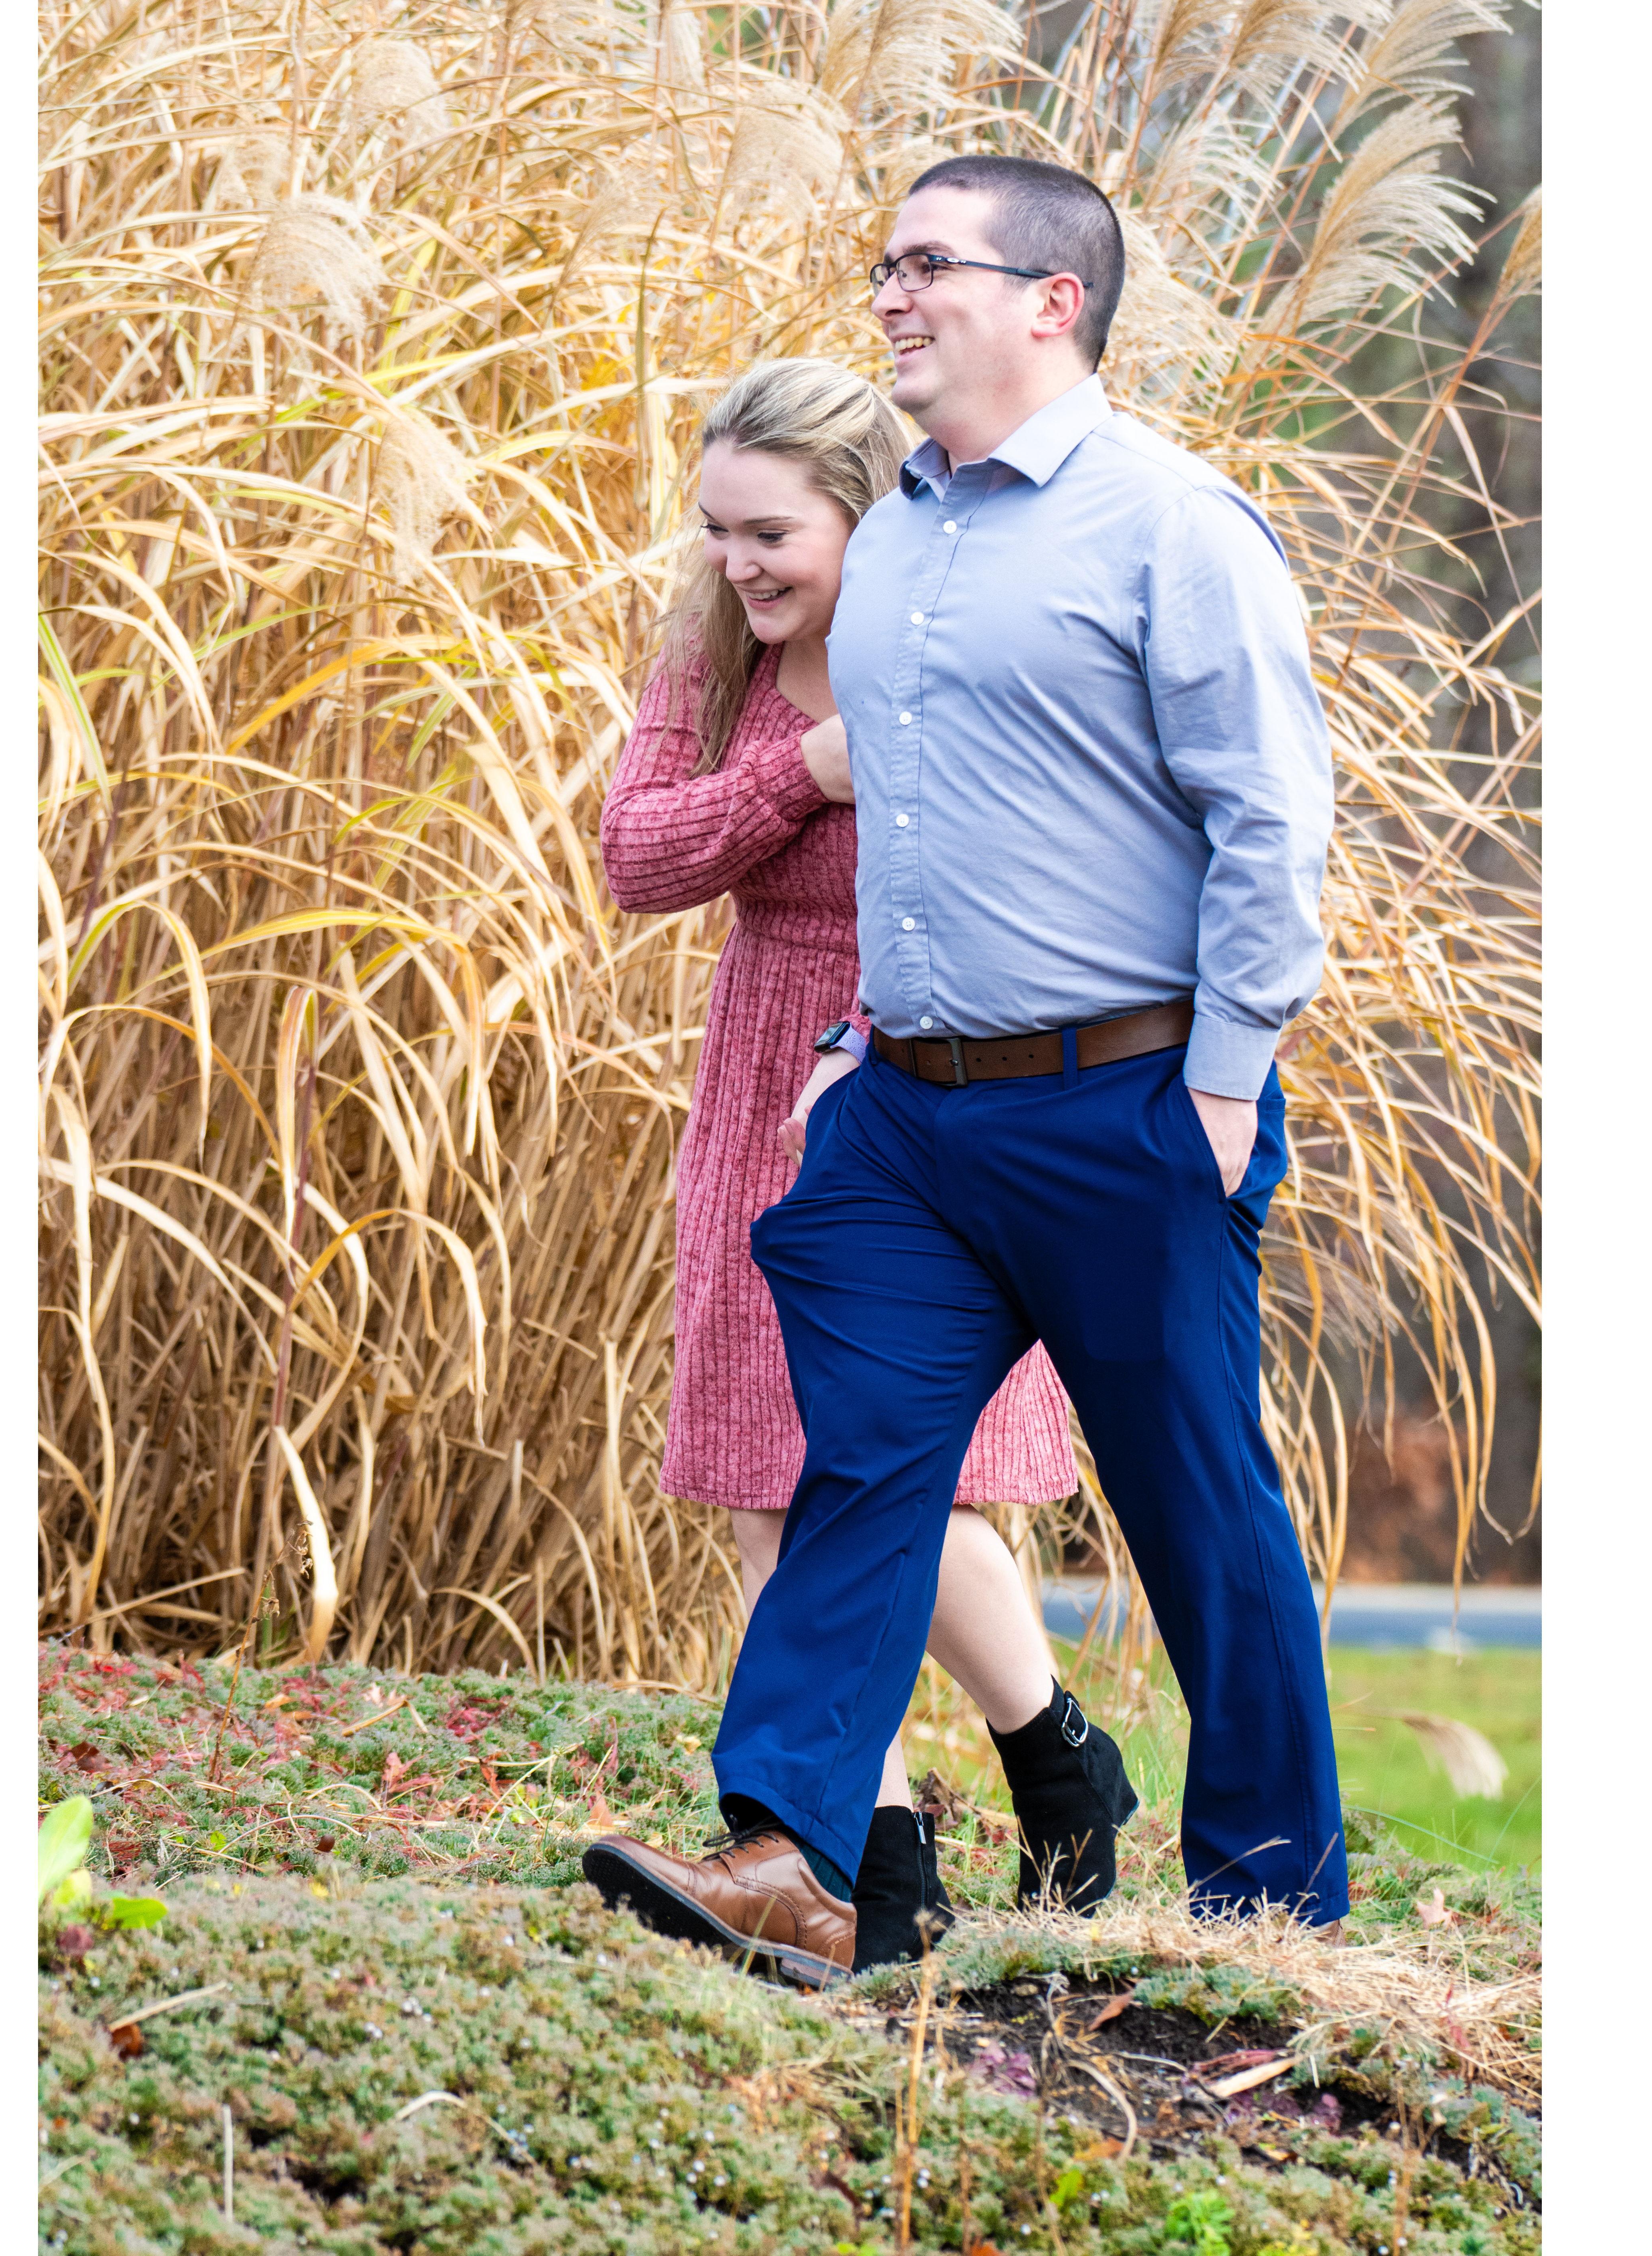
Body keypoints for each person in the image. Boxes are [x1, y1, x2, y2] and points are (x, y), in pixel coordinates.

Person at [585, 153, 1344, 1988]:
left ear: (1049, 302)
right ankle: (796, 1854)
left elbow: (1270, 818)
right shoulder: (905, 531)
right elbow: (916, 826)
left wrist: (1225, 1079)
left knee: (1195, 1499)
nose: (891, 296)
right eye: (885, 264)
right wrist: (858, 1045)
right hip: (904, 1109)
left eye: (929, 265)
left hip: (1125, 1104)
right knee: (852, 1473)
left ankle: (1266, 1912)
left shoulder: (1173, 527)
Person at [593, 357, 1139, 1973]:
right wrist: (797, 772)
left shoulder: (952, 640)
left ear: (864, 513)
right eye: (716, 532)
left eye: (772, 534)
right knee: (768, 1475)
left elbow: (1051, 859)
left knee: (917, 1477)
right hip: (758, 1076)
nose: (738, 566)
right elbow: (639, 857)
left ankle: (1055, 1758)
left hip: (921, 1082)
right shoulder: (709, 663)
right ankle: (871, 1862)